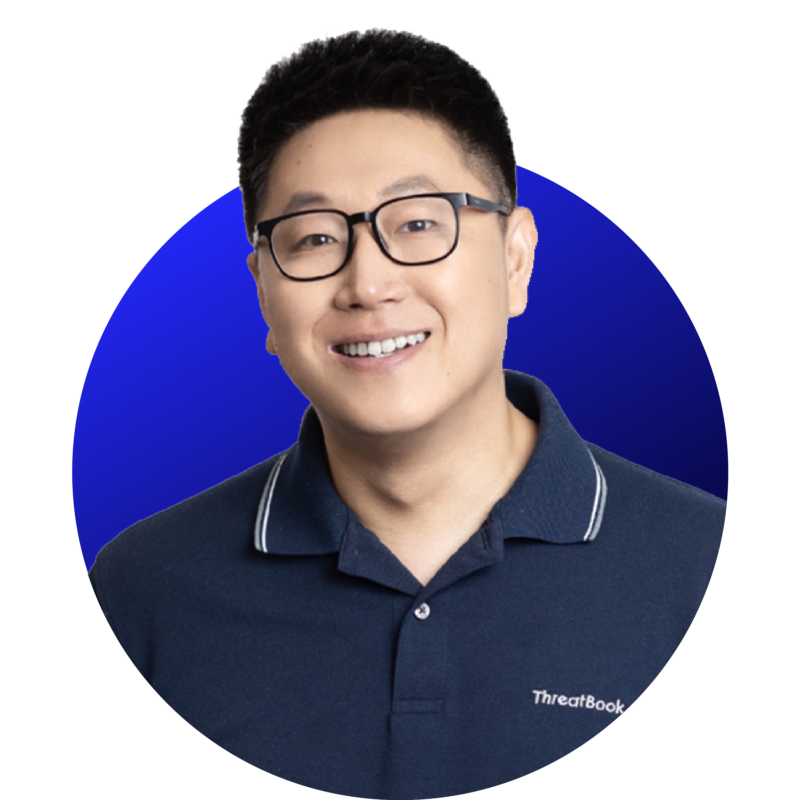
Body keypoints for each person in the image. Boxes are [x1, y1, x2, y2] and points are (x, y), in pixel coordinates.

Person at [88, 27, 726, 798]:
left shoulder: (699, 562)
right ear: (263, 291)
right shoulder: (143, 592)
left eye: (418, 223)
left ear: (516, 259)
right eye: (315, 237)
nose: (368, 284)